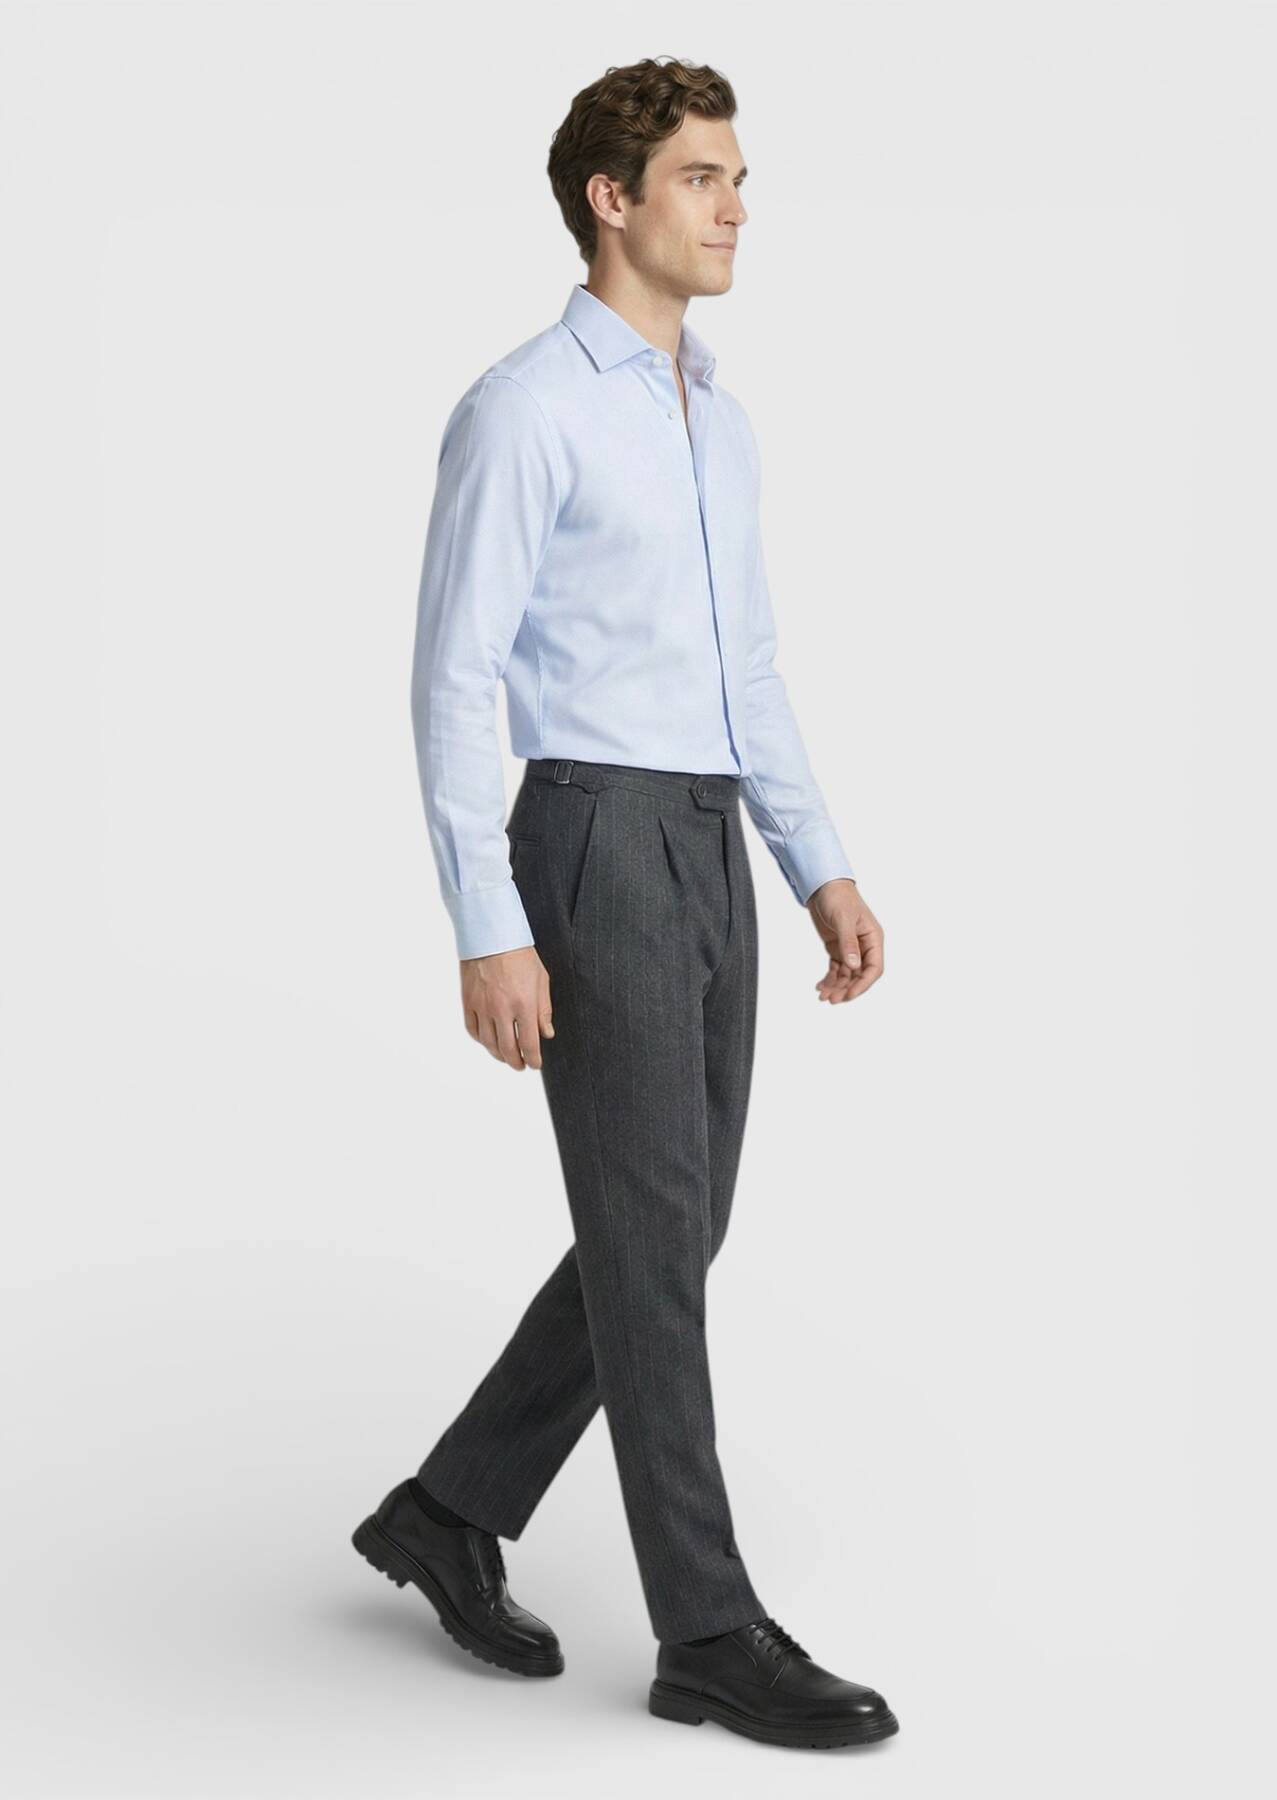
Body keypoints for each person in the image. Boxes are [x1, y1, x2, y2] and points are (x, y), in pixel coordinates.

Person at [352, 55, 896, 1751]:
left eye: (739, 179)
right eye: (702, 178)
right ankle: (708, 1631)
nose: (736, 209)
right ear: (613, 198)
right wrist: (486, 924)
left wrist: (816, 861)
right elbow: (451, 680)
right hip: (589, 837)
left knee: (673, 1228)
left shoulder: (715, 417)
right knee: (655, 1241)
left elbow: (748, 668)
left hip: (709, 837)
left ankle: (449, 1507)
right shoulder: (525, 407)